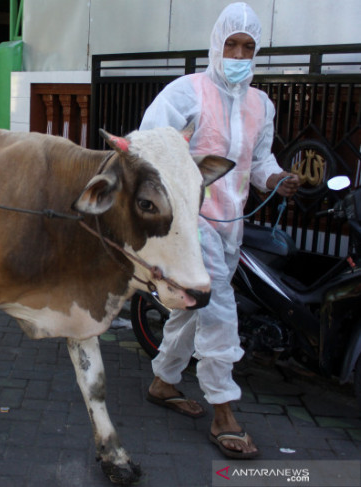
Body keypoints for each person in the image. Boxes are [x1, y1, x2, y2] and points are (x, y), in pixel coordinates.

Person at [139, 2, 299, 459]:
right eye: (232, 44)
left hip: (233, 224)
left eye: (248, 47)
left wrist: (276, 179)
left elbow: (261, 161)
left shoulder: (260, 104)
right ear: (216, 44)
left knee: (191, 310)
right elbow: (148, 140)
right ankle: (224, 412)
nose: (239, 54)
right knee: (219, 314)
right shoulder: (187, 91)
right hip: (193, 225)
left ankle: (163, 381)